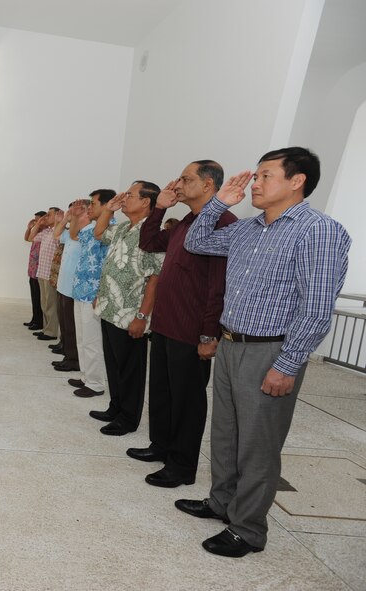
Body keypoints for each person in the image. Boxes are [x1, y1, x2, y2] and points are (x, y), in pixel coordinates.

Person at [178, 147, 350, 558]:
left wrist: (288, 363)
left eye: (265, 176)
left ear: (297, 181)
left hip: (270, 351)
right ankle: (221, 502)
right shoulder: (249, 229)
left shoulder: (318, 231)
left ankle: (248, 529)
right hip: (232, 343)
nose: (254, 183)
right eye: (255, 176)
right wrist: (219, 202)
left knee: (258, 445)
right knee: (225, 435)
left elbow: (316, 305)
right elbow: (196, 242)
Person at [129, 161, 237, 489]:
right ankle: (161, 446)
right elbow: (148, 242)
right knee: (162, 392)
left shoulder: (223, 223)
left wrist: (208, 333)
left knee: (187, 401)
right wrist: (159, 208)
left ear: (208, 185)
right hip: (165, 324)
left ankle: (181, 466)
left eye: (187, 179)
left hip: (191, 330)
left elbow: (217, 285)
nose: (179, 183)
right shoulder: (187, 222)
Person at [90, 182, 164, 435]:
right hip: (109, 306)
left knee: (130, 369)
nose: (125, 199)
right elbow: (99, 233)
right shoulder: (122, 227)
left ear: (146, 201)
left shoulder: (152, 233)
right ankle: (115, 407)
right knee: (113, 363)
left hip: (130, 313)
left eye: (130, 195)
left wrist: (142, 316)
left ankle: (128, 418)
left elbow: (155, 278)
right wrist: (108, 211)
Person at [66, 189, 116, 396]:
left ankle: (96, 384)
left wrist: (100, 293)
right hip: (80, 289)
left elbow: (109, 265)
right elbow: (74, 234)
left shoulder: (111, 229)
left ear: (106, 206)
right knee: (82, 338)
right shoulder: (93, 228)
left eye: (94, 204)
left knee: (93, 341)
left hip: (93, 293)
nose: (90, 208)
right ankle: (86, 375)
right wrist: (77, 217)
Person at [51, 203, 84, 371]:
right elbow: (56, 235)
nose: (71, 213)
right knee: (65, 323)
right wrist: (64, 219)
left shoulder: (86, 230)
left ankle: (73, 359)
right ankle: (67, 352)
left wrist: (74, 218)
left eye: (76, 210)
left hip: (73, 287)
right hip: (63, 284)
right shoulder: (72, 230)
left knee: (71, 326)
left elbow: (72, 233)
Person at [30, 207, 63, 342]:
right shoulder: (46, 232)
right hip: (42, 272)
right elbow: (31, 237)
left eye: (49, 215)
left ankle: (52, 332)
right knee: (44, 303)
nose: (46, 217)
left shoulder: (59, 232)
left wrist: (59, 223)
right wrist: (39, 223)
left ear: (57, 216)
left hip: (51, 273)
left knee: (51, 304)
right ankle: (46, 328)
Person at [24, 211, 47, 330]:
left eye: (38, 219)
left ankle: (39, 322)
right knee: (34, 297)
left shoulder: (46, 233)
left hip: (40, 271)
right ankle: (34, 319)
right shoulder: (36, 232)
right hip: (32, 271)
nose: (36, 221)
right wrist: (29, 228)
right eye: (35, 219)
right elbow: (27, 238)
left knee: (39, 298)